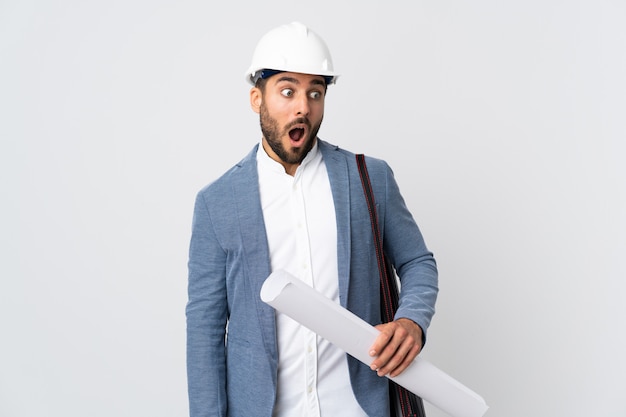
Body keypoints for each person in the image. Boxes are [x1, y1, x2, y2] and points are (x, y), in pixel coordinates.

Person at [186, 21, 438, 417]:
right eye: (287, 91)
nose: (303, 106)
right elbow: (204, 331)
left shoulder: (369, 179)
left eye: (315, 93)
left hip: (360, 406)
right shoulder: (217, 202)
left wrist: (411, 322)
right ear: (257, 98)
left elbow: (417, 261)